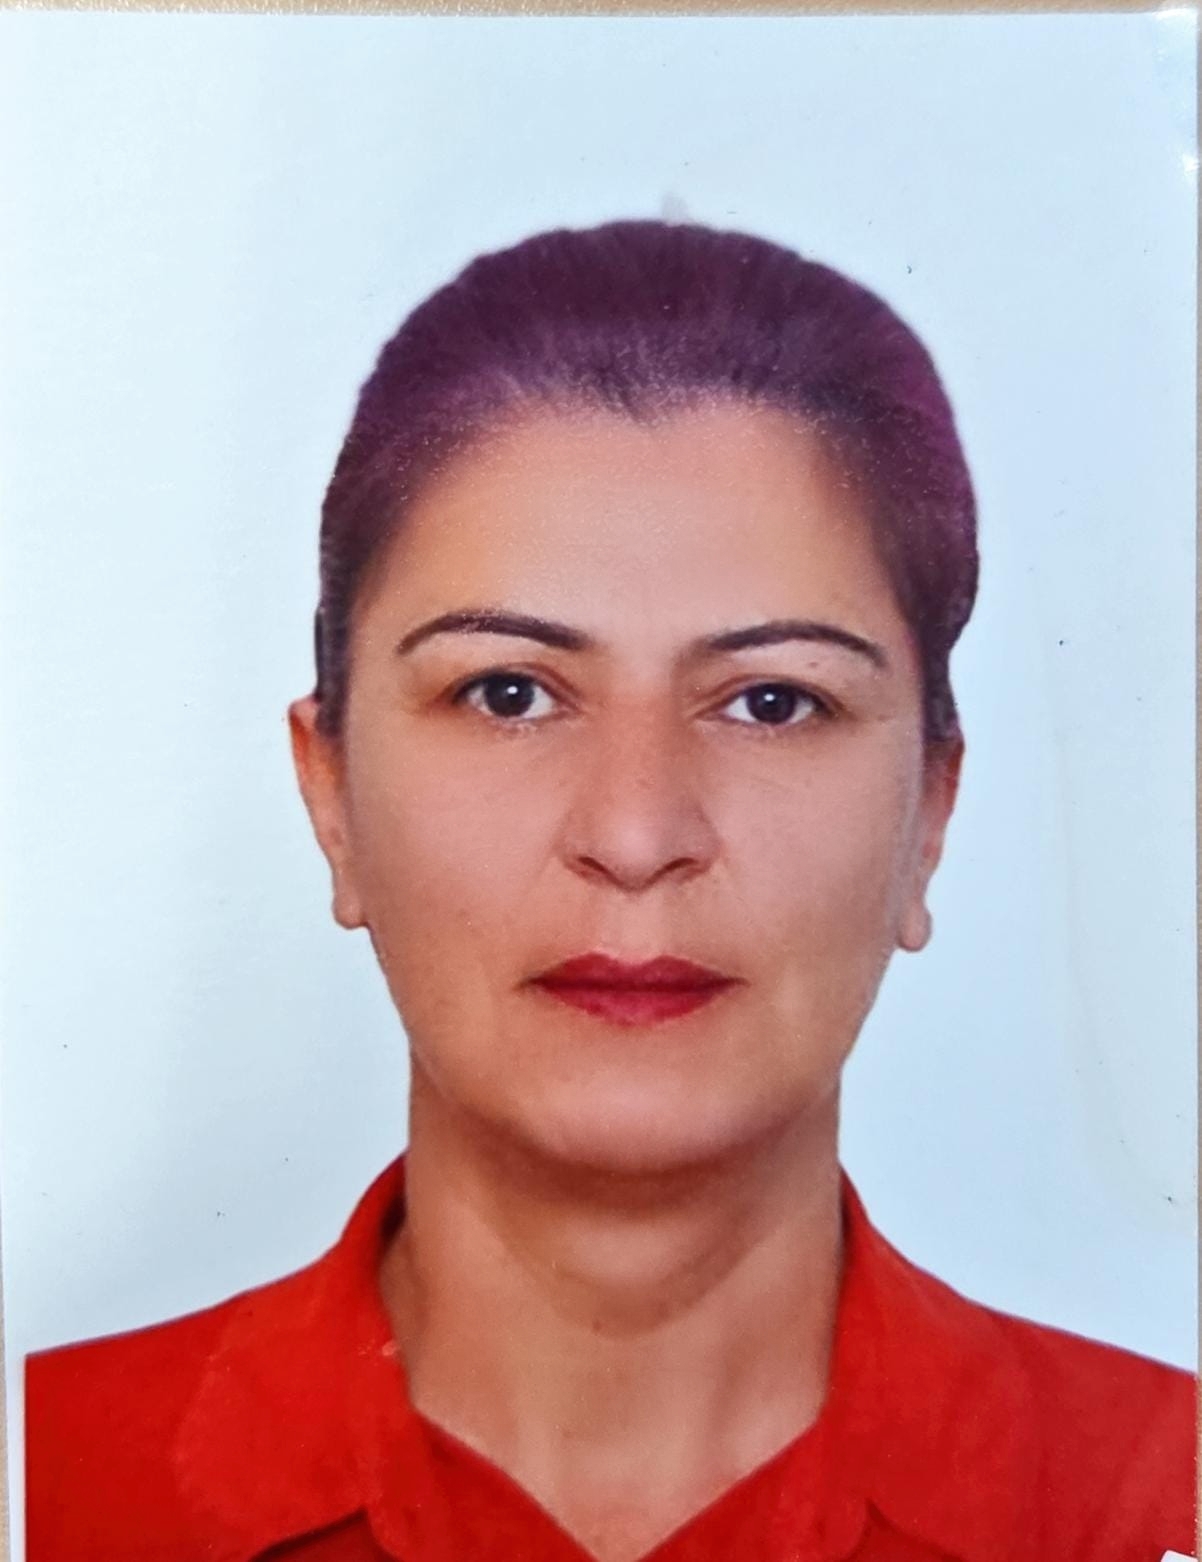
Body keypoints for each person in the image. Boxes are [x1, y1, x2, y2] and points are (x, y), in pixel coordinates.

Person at [26, 220, 1195, 1562]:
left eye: (771, 701)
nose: (636, 834)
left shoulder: (1161, 1498)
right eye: (507, 693)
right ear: (331, 792)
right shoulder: (44, 1485)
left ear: (928, 814)